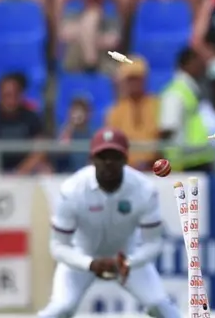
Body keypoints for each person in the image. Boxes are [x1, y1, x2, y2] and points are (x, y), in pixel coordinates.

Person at [38, 128, 180, 318]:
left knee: (159, 305)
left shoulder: (144, 189)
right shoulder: (72, 189)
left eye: (115, 156)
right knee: (60, 308)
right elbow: (57, 246)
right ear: (92, 159)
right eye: (102, 156)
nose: (108, 163)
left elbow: (153, 243)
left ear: (125, 158)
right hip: (82, 257)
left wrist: (129, 262)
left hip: (126, 258)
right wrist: (89, 263)